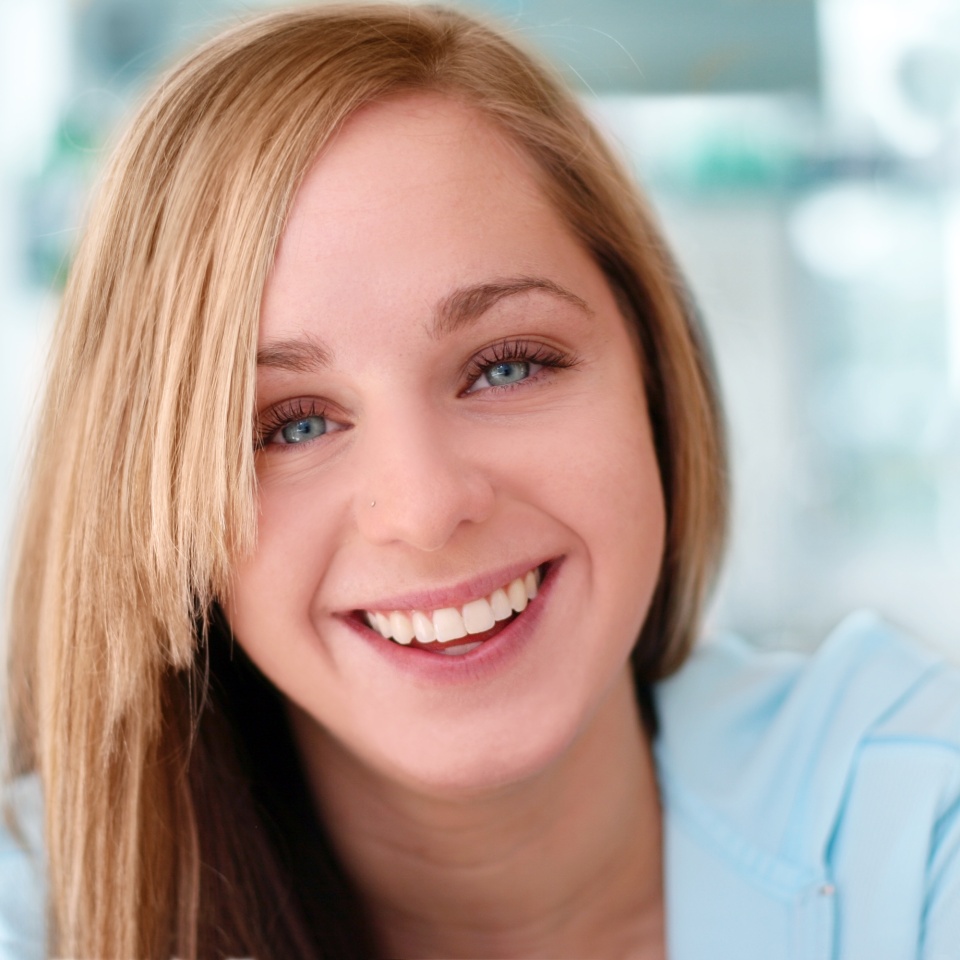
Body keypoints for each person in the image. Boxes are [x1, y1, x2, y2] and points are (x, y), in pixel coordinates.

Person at [2, 4, 958, 958]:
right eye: (291, 425)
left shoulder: (918, 820)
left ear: (653, 378)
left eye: (507, 366)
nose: (424, 509)